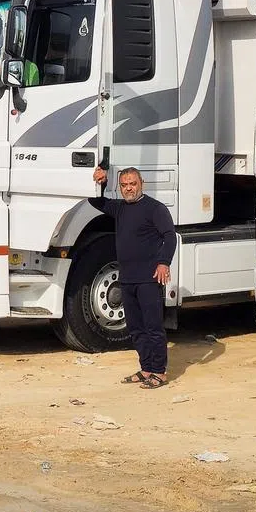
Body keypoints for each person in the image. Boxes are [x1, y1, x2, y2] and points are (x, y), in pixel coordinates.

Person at [88, 165, 177, 389]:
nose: (129, 188)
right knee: (136, 328)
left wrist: (164, 262)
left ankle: (159, 372)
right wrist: (101, 182)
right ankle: (146, 368)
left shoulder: (155, 208)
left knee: (153, 327)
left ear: (142, 184)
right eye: (124, 185)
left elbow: (170, 236)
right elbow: (95, 201)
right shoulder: (120, 208)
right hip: (127, 278)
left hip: (149, 278)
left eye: (133, 184)